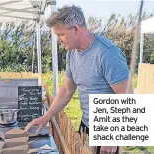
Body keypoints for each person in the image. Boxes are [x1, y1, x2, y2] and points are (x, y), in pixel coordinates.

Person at [24, 5, 131, 154]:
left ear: (75, 28)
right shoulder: (72, 53)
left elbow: (126, 96)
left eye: (61, 34)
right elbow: (67, 89)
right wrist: (46, 116)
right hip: (86, 124)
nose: (59, 40)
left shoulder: (108, 53)